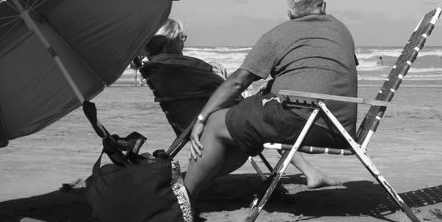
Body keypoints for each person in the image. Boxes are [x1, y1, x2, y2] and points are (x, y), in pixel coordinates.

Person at [183, 0, 354, 207]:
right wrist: (278, 84)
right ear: (323, 6)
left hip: (306, 122)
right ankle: (191, 188)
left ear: (290, 13)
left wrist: (201, 118)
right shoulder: (341, 30)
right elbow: (326, 71)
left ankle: (184, 200)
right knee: (238, 126)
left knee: (216, 122)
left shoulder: (279, 34)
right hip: (340, 127)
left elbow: (238, 81)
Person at [141, 17, 336, 189]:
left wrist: (210, 69)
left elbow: (207, 87)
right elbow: (224, 89)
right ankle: (310, 172)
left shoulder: (164, 67)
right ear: (168, 43)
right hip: (211, 123)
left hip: (191, 120)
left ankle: (310, 172)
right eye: (180, 36)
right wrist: (214, 73)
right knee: (269, 112)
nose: (185, 38)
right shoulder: (180, 66)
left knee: (267, 109)